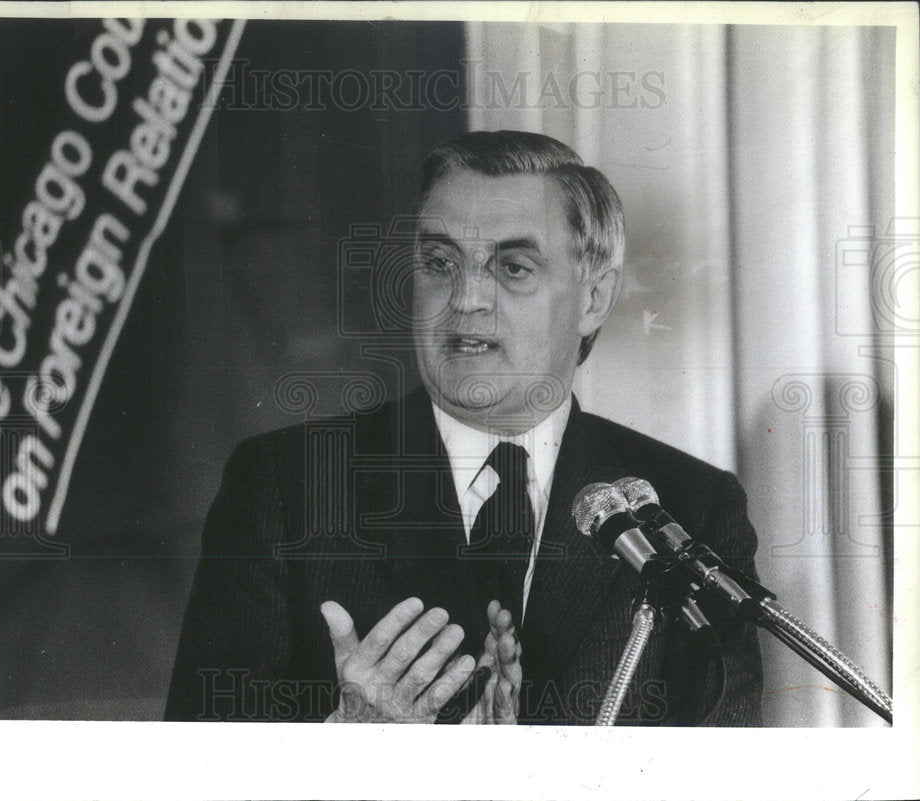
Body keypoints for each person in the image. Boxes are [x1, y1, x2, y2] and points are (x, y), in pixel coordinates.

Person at [165, 130, 763, 725]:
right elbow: (194, 775)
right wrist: (345, 751)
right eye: (439, 262)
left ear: (595, 298)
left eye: (513, 267)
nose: (466, 298)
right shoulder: (285, 486)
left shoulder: (691, 509)